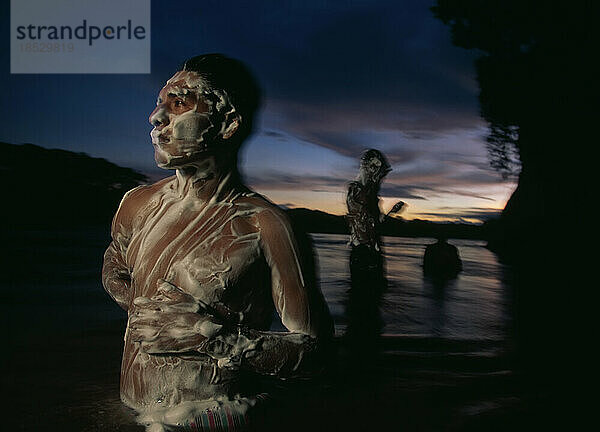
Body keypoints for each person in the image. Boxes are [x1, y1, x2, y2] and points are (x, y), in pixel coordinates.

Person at [102, 54, 333, 432]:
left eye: (178, 104)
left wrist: (214, 336)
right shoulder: (137, 203)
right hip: (132, 411)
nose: (156, 117)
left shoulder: (264, 225)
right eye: (159, 103)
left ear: (227, 123)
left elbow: (315, 352)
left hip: (212, 417)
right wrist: (135, 302)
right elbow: (114, 259)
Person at [345, 149, 404, 281]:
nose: (376, 173)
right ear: (365, 166)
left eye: (378, 168)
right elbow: (363, 225)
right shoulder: (357, 190)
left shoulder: (368, 193)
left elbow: (373, 222)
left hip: (370, 252)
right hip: (364, 253)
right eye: (373, 167)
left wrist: (390, 212)